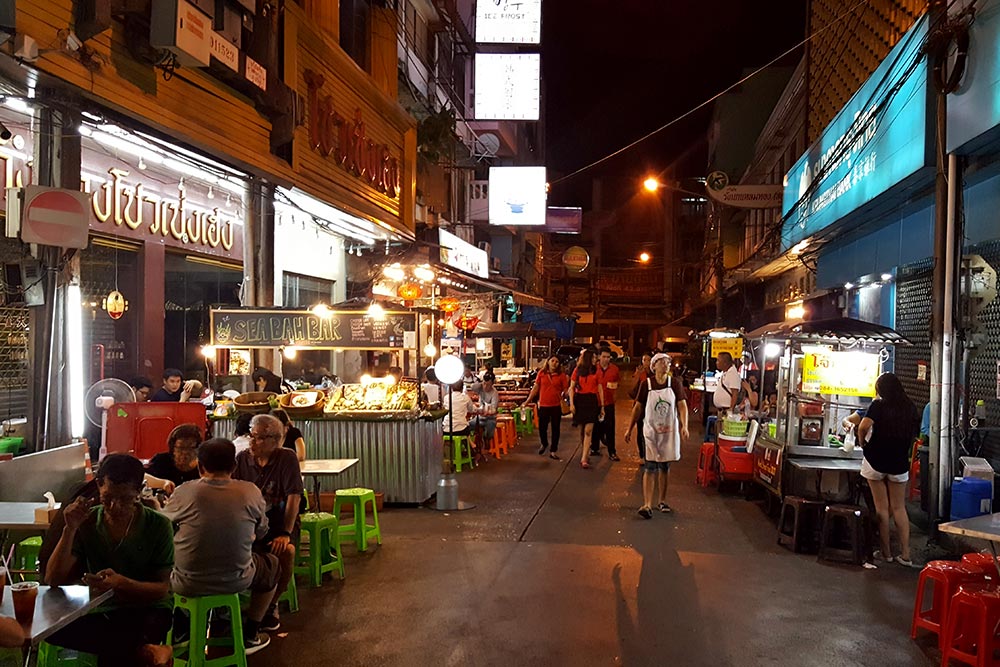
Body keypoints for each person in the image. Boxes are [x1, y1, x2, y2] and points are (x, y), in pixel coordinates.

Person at [44, 454, 174, 667]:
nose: (115, 507)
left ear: (139, 491)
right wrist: (70, 529)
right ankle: (149, 652)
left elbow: (161, 589)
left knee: (118, 645)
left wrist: (121, 583)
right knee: (51, 630)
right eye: (107, 498)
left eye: (125, 499)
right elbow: (53, 578)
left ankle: (144, 651)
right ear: (98, 486)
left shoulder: (158, 525)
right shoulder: (87, 521)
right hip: (102, 609)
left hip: (149, 608)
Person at [159, 438, 277, 655]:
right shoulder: (250, 491)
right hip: (236, 580)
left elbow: (163, 525)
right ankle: (250, 634)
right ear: (234, 466)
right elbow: (262, 531)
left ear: (200, 466)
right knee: (272, 565)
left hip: (185, 582)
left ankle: (181, 631)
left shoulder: (185, 492)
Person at [233, 414, 302, 632]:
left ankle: (271, 604)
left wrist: (286, 533)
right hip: (250, 525)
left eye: (259, 438)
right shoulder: (242, 459)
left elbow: (294, 497)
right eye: (251, 436)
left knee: (286, 551)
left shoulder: (287, 458)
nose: (252, 442)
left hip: (279, 523)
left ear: (276, 440)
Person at [856, 372, 920, 566]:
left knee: (881, 508)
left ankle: (886, 554)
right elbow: (915, 434)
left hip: (875, 460)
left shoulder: (878, 405)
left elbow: (863, 427)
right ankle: (906, 554)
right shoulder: (910, 407)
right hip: (898, 462)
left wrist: (863, 443)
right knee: (899, 507)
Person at [624, 353, 689, 518]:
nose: (666, 365)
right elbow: (638, 407)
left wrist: (684, 425)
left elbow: (682, 406)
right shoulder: (646, 385)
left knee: (665, 467)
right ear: (654, 366)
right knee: (650, 467)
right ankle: (647, 504)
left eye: (668, 362)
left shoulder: (675, 384)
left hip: (668, 432)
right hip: (651, 432)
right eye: (662, 362)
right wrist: (629, 428)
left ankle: (662, 501)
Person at [524, 356, 569, 460]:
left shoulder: (561, 376)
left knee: (555, 428)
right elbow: (536, 388)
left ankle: (553, 450)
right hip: (544, 405)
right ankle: (544, 443)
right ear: (548, 362)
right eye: (552, 361)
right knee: (542, 427)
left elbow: (565, 389)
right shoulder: (541, 373)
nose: (554, 363)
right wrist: (527, 401)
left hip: (556, 406)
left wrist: (567, 394)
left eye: (557, 361)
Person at [144, 424, 202, 496]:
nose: (185, 452)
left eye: (190, 448)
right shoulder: (161, 461)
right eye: (180, 448)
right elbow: (140, 476)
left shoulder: (204, 466)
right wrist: (162, 483)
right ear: (173, 448)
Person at [570, 349, 604, 469]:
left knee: (588, 430)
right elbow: (571, 387)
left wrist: (602, 406)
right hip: (580, 400)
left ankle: (584, 458)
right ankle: (585, 450)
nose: (596, 360)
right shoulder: (577, 370)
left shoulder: (597, 371)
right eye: (594, 357)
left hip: (592, 400)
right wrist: (571, 404)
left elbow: (600, 388)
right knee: (582, 430)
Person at [593, 349, 621, 461]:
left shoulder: (614, 369)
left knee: (610, 427)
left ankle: (612, 451)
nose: (606, 359)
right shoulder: (593, 368)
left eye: (608, 357)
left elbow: (617, 383)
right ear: (599, 357)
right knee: (595, 426)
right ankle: (594, 447)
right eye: (604, 356)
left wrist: (615, 396)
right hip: (595, 402)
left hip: (609, 402)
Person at [630, 354, 653, 465]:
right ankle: (642, 455)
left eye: (648, 360)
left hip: (652, 406)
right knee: (640, 431)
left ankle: (651, 453)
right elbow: (632, 389)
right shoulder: (639, 373)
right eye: (644, 360)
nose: (646, 362)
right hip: (641, 405)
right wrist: (638, 375)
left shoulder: (655, 373)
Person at [473, 372, 499, 452]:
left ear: (492, 384)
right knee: (468, 425)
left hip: (490, 418)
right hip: (480, 417)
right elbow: (473, 387)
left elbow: (494, 409)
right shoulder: (481, 389)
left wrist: (487, 412)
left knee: (490, 429)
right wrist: (481, 383)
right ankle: (472, 445)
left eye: (488, 385)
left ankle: (486, 439)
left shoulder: (494, 393)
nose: (486, 386)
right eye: (484, 384)